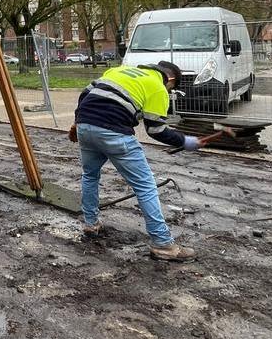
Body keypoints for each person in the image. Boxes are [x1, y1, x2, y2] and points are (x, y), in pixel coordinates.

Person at [71, 61, 201, 262]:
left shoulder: (119, 70)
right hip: (113, 131)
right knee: (146, 185)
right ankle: (163, 244)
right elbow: (156, 130)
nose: (169, 91)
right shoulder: (158, 87)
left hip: (85, 126)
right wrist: (186, 141)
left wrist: (76, 121)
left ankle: (91, 224)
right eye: (171, 88)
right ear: (171, 79)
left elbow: (86, 93)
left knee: (90, 175)